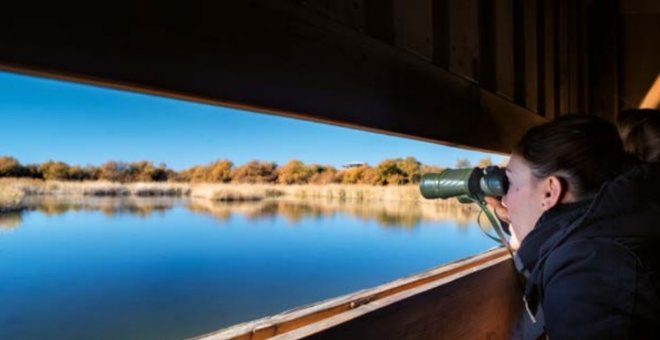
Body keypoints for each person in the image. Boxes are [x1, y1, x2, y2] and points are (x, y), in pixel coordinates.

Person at [487, 114, 660, 339]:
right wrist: (535, 237)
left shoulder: (585, 277)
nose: (505, 201)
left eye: (510, 183)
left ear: (550, 191)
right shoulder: (611, 237)